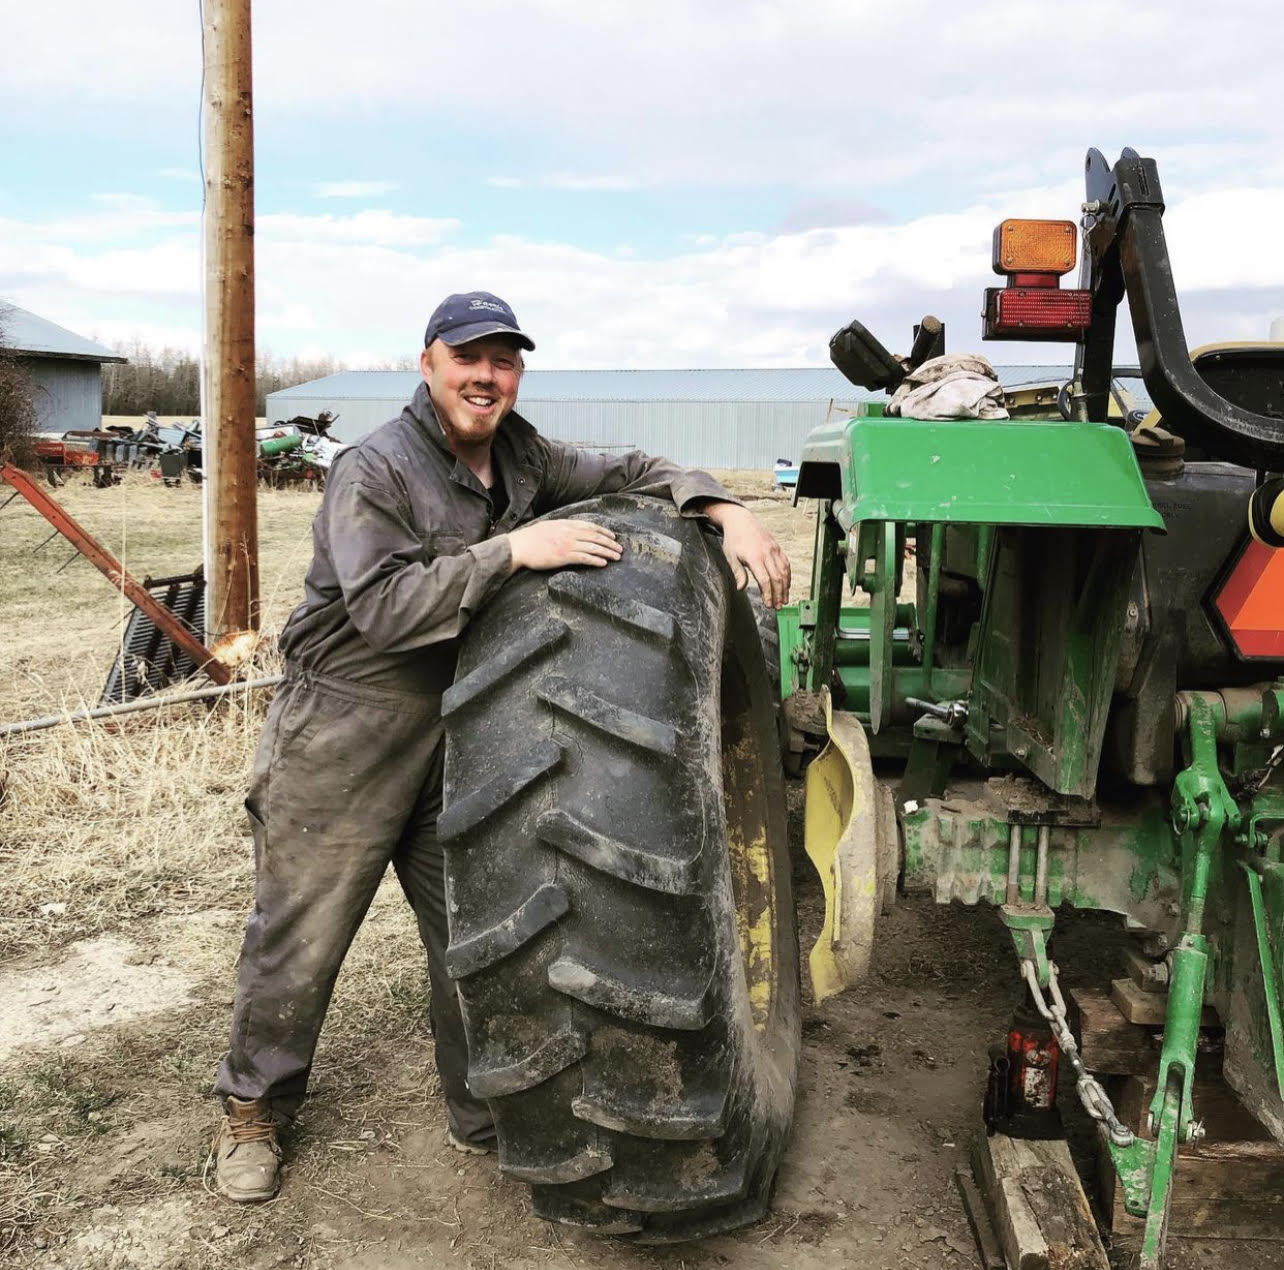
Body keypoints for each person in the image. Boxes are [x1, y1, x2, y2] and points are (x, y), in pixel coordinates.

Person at [210, 291, 792, 1202]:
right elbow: (385, 610)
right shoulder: (376, 468)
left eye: (504, 361)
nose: (487, 377)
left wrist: (720, 506)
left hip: (455, 733)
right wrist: (514, 552)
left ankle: (487, 1108)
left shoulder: (520, 453)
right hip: (348, 729)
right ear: (428, 363)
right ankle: (254, 1108)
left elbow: (634, 464)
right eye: (468, 359)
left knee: (477, 937)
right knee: (302, 933)